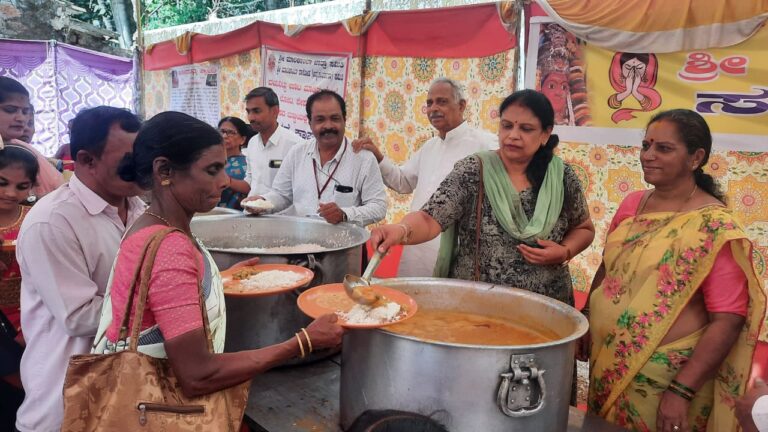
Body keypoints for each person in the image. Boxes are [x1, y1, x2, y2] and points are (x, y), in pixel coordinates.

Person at [95, 111, 343, 401]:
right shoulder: (169, 247)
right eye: (212, 170)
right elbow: (198, 375)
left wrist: (214, 281)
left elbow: (157, 296)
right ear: (164, 171)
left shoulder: (146, 224)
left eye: (224, 168)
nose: (225, 181)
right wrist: (303, 342)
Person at [581, 109, 766, 431]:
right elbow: (609, 267)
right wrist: (586, 314)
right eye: (646, 145)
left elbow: (729, 318)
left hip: (665, 380)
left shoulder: (713, 226)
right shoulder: (632, 204)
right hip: (608, 362)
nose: (648, 156)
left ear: (695, 158)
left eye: (664, 149)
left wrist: (681, 390)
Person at [370, 89, 594, 305]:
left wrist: (565, 251)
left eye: (526, 129)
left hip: (546, 305)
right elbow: (430, 218)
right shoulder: (474, 170)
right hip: (477, 306)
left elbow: (584, 228)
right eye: (506, 126)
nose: (513, 135)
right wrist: (400, 230)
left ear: (545, 133)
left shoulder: (561, 176)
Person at [15, 106, 145, 432]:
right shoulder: (53, 222)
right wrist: (169, 298)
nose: (142, 170)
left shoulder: (139, 207)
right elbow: (79, 317)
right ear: (86, 160)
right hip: (65, 400)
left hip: (123, 388)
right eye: (130, 162)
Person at [353, 78, 496, 277]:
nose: (433, 108)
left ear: (462, 105)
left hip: (458, 248)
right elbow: (402, 182)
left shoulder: (486, 145)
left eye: (442, 102)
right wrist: (378, 156)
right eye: (429, 103)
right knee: (411, 301)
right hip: (418, 241)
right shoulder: (430, 147)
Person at [245, 90, 387, 227]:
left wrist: (345, 214)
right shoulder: (297, 152)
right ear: (310, 122)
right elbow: (282, 194)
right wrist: (262, 202)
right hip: (300, 244)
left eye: (335, 118)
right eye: (320, 120)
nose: (328, 126)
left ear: (345, 119)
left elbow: (378, 206)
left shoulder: (363, 159)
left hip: (343, 248)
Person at [0, 145, 38, 430]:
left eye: (21, 186)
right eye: (2, 183)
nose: (11, 193)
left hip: (32, 313)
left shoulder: (35, 219)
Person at [0, 77, 63, 197]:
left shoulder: (23, 149)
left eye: (25, 112)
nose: (21, 118)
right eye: (10, 110)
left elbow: (57, 190)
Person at [243, 87, 303, 199]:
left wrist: (266, 202)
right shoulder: (252, 143)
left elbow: (300, 190)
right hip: (250, 212)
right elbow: (250, 180)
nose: (251, 118)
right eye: (248, 111)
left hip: (281, 215)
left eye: (256, 111)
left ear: (275, 111)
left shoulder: (295, 145)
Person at [217, 116, 253, 209]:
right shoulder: (210, 160)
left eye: (231, 133)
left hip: (234, 217)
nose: (224, 136)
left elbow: (249, 188)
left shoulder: (246, 165)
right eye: (222, 131)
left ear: (242, 139)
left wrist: (228, 181)